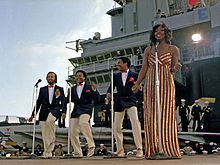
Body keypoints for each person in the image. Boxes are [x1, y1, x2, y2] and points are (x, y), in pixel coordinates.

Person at [132, 23, 182, 159]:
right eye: (156, 31)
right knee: (151, 114)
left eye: (161, 31)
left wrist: (175, 68)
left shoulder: (173, 49)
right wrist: (137, 83)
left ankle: (168, 149)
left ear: (166, 33)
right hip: (150, 83)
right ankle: (154, 149)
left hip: (166, 82)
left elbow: (173, 67)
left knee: (166, 114)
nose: (158, 33)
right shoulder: (149, 49)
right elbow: (144, 68)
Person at [106, 57, 143, 158]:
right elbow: (111, 87)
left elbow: (139, 90)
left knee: (135, 123)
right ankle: (120, 151)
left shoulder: (134, 75)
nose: (117, 65)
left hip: (131, 100)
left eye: (119, 63)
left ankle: (139, 149)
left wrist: (138, 90)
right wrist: (109, 93)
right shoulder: (115, 76)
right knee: (117, 126)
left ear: (126, 64)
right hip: (119, 101)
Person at [28, 71, 66, 158]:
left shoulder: (60, 89)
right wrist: (33, 115)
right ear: (46, 78)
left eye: (52, 77)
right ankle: (47, 151)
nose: (50, 78)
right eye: (48, 77)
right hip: (43, 112)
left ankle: (50, 149)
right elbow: (38, 103)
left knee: (50, 121)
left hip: (55, 110)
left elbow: (64, 101)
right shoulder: (42, 89)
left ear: (55, 78)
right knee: (45, 134)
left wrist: (63, 112)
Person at [66, 70, 100, 157]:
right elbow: (66, 100)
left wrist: (94, 90)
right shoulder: (72, 89)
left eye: (80, 75)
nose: (78, 77)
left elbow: (97, 99)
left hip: (86, 109)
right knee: (72, 131)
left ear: (84, 77)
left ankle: (91, 145)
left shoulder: (89, 87)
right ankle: (77, 152)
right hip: (76, 110)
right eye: (76, 76)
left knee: (83, 123)